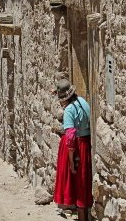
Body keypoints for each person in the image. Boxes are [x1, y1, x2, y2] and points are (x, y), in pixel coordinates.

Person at [53, 79, 93, 221]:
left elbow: (70, 136)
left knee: (76, 181)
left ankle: (81, 216)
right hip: (85, 143)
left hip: (76, 147)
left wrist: (70, 160)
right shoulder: (83, 101)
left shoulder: (69, 110)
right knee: (83, 180)